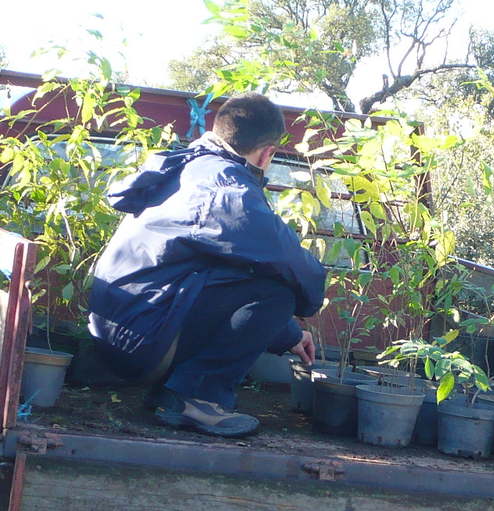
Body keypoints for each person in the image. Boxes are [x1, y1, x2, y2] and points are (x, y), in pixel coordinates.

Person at [88, 92, 327, 438]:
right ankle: (196, 399)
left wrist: (290, 334)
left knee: (255, 276)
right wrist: (310, 301)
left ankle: (172, 395)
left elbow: (220, 285)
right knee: (277, 291)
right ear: (267, 154)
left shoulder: (189, 167)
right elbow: (286, 259)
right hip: (142, 339)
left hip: (123, 332)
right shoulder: (224, 185)